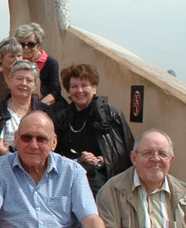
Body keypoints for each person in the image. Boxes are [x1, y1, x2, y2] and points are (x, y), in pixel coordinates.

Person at [53, 63, 134, 195]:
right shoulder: (61, 118)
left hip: (98, 178)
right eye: (74, 86)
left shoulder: (111, 116)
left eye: (85, 85)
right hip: (67, 175)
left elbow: (125, 154)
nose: (79, 91)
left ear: (94, 88)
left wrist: (99, 161)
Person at [0, 60, 51, 157]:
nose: (24, 83)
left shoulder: (45, 112)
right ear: (10, 81)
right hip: (6, 161)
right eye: (19, 79)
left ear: (35, 85)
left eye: (29, 80)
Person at [15, 23, 61, 105]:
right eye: (22, 44)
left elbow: (55, 92)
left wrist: (38, 106)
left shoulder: (51, 63)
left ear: (38, 45)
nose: (26, 48)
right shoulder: (16, 64)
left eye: (31, 44)